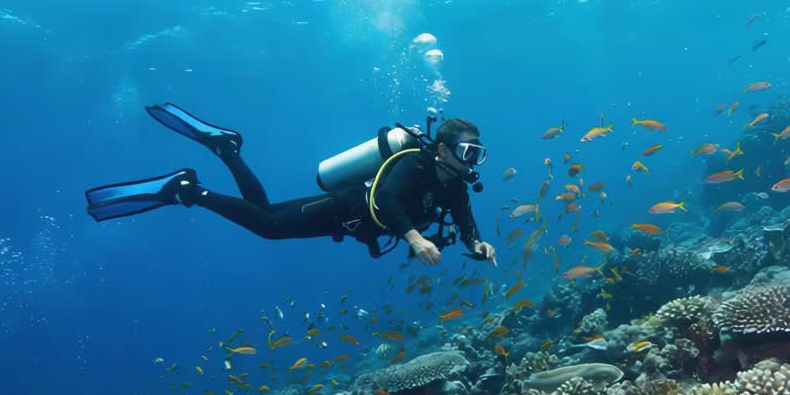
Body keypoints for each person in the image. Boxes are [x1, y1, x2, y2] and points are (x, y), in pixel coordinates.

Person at [85, 104, 497, 265]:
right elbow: (387, 197)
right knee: (267, 226)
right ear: (442, 150)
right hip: (346, 208)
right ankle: (189, 191)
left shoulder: (454, 186)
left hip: (354, 223)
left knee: (264, 210)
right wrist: (414, 237)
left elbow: (464, 217)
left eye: (477, 155)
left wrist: (476, 243)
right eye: (466, 153)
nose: (471, 162)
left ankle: (227, 150)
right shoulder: (413, 163)